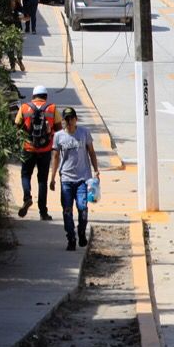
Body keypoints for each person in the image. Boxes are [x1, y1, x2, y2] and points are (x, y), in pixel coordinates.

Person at [49, 106, 99, 252]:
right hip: (66, 179)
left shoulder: (84, 133)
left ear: (76, 119)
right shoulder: (58, 136)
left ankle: (81, 231)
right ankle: (71, 237)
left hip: (83, 178)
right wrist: (52, 178)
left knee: (83, 208)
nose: (69, 121)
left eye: (71, 118)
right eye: (66, 119)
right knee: (67, 210)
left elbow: (91, 152)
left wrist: (96, 170)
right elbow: (56, 157)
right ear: (63, 121)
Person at [14, 85, 57, 219]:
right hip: (45, 149)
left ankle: (27, 197)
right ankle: (43, 212)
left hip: (28, 147)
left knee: (25, 175)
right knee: (42, 180)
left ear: (33, 96)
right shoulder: (52, 108)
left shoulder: (25, 107)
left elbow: (17, 125)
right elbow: (60, 129)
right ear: (46, 96)